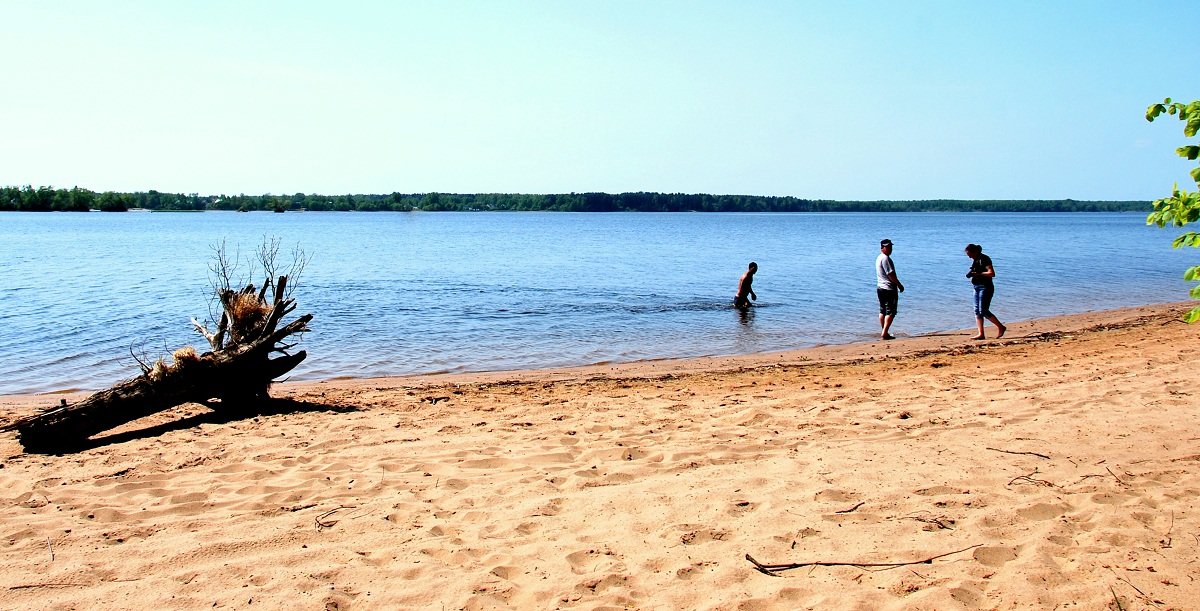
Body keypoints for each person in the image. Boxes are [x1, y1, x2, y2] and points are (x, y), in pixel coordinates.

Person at [964, 243, 1006, 340]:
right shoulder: (975, 259)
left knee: (983, 310)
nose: (969, 256)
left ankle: (1001, 327)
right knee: (977, 311)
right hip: (976, 287)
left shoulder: (985, 259)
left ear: (975, 252)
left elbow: (992, 273)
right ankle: (981, 334)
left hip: (986, 287)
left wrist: (978, 273)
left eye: (969, 254)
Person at [875, 239, 904, 340]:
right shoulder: (885, 259)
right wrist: (899, 285)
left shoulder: (879, 258)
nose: (890, 249)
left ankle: (884, 331)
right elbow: (890, 274)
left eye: (890, 247)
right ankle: (884, 332)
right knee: (891, 312)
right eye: (887, 247)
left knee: (883, 310)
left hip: (880, 288)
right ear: (882, 248)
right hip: (888, 288)